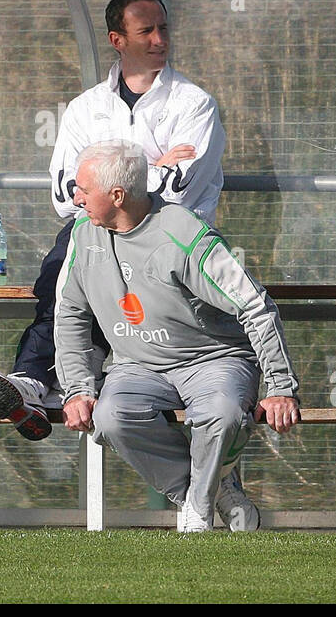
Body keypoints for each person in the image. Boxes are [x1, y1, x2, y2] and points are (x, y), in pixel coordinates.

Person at [0, 0, 226, 440]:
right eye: (146, 31)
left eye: (163, 29)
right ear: (118, 40)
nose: (159, 40)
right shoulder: (84, 108)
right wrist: (153, 166)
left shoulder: (195, 105)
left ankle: (70, 385)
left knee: (110, 289)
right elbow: (64, 191)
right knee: (64, 271)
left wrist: (108, 180)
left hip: (169, 236)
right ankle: (35, 381)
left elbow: (180, 189)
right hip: (96, 229)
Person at [55, 140, 300, 532]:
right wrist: (77, 388)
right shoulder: (82, 235)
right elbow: (69, 314)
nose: (76, 197)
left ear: (118, 195)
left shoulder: (186, 234)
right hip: (136, 366)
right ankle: (207, 490)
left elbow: (255, 306)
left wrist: (280, 386)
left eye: (83, 189)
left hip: (213, 359)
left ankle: (197, 515)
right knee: (111, 417)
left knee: (221, 414)